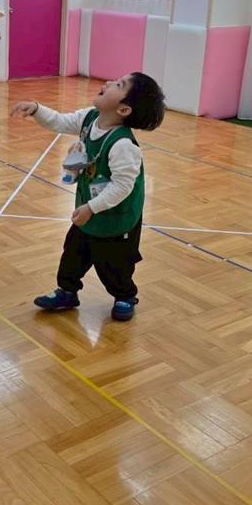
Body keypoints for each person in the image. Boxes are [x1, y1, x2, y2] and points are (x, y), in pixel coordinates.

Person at [11, 72, 165, 321]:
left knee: (114, 265)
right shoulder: (90, 118)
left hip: (116, 218)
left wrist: (92, 207)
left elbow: (122, 186)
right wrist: (37, 109)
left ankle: (125, 296)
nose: (109, 83)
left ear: (124, 109)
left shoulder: (123, 145)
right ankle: (67, 291)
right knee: (72, 254)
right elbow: (60, 121)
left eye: (119, 85)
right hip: (88, 211)